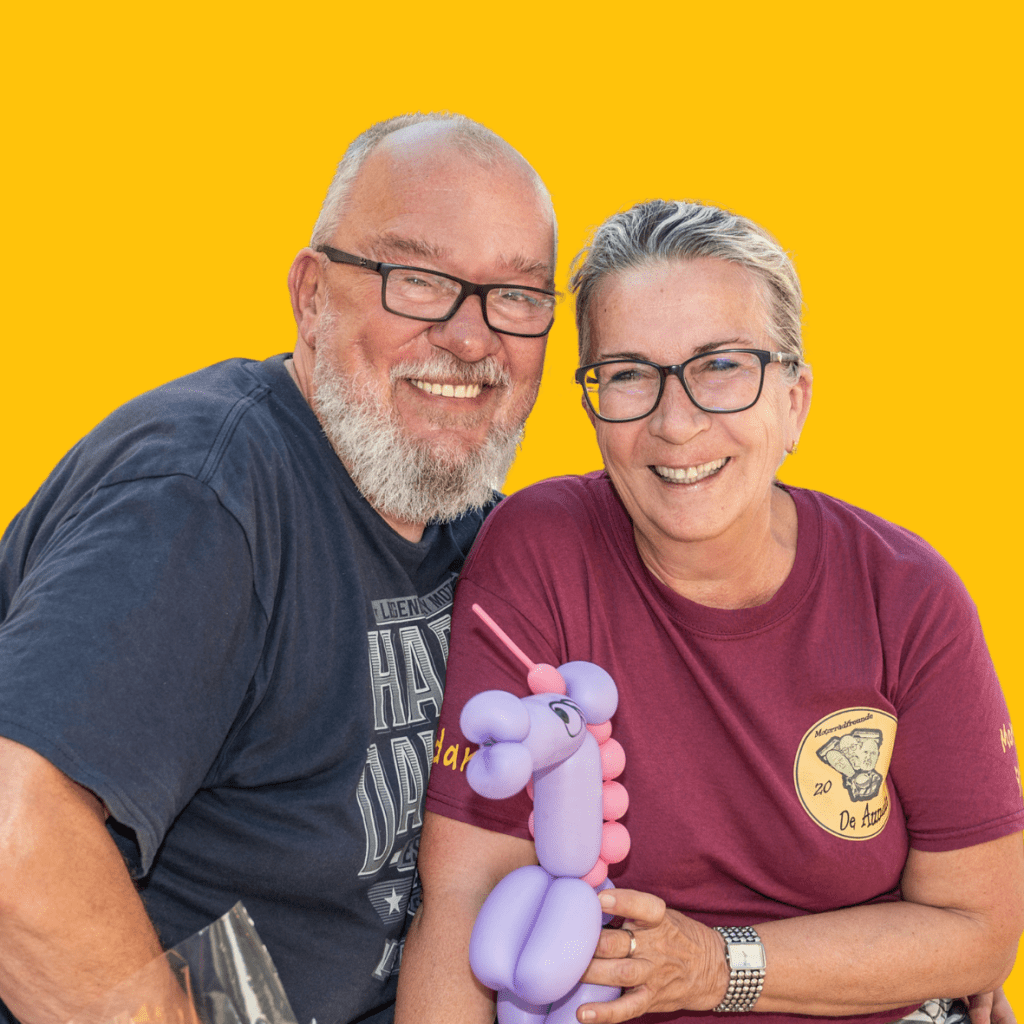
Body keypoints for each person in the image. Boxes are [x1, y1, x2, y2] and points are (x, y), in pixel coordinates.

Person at [397, 200, 1024, 1024]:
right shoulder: (540, 552)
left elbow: (979, 931)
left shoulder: (907, 598)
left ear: (795, 400)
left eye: (721, 365)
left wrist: (714, 967)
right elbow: (466, 902)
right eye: (629, 373)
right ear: (592, 409)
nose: (676, 422)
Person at [0, 112, 557, 1024]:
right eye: (419, 281)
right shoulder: (203, 500)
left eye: (518, 296)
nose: (471, 338)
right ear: (312, 294)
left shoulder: (475, 526)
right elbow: (17, 837)